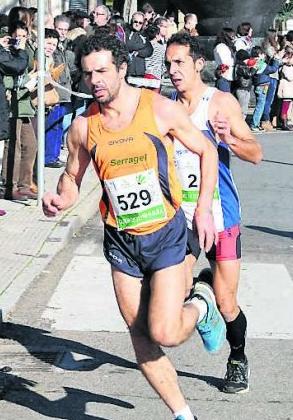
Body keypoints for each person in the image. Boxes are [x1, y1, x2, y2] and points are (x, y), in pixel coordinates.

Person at [43, 34, 225, 420]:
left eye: (103, 71)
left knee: (167, 332)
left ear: (122, 68)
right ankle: (183, 415)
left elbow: (207, 150)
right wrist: (61, 197)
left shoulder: (157, 109)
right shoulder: (83, 127)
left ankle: (202, 302)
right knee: (140, 335)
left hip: (167, 236)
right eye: (89, 73)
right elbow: (72, 177)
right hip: (121, 242)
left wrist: (204, 208)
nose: (96, 81)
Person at [165, 32, 262, 394]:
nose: (173, 70)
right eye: (169, 63)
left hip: (221, 214)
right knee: (171, 295)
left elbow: (256, 153)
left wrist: (229, 140)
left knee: (227, 301)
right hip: (181, 215)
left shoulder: (219, 103)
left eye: (180, 63)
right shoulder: (165, 107)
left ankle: (237, 356)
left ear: (198, 65)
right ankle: (199, 295)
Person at [250, 46, 280, 132]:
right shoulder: (260, 63)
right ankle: (254, 124)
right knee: (260, 106)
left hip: (258, 86)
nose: (264, 56)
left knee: (260, 105)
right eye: (263, 54)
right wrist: (276, 60)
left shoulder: (253, 62)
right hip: (262, 86)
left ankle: (256, 123)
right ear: (259, 54)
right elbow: (273, 69)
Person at [213, 27, 236, 93]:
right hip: (224, 76)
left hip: (230, 76)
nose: (233, 38)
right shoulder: (221, 46)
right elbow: (225, 61)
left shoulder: (226, 46)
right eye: (232, 36)